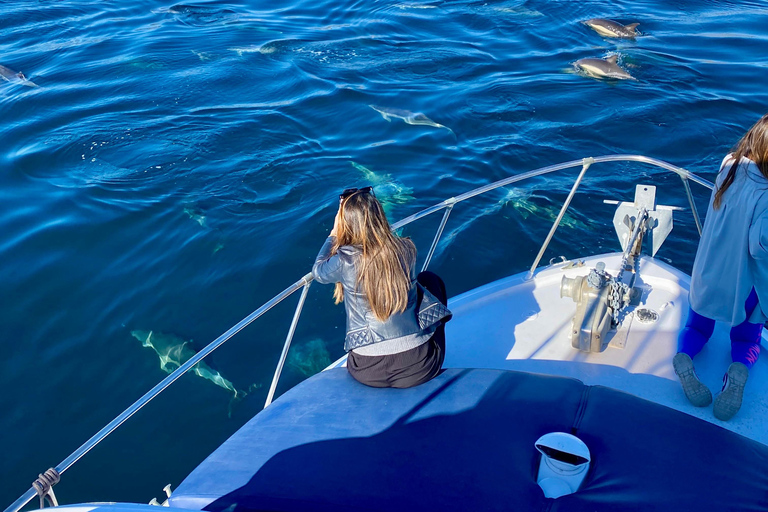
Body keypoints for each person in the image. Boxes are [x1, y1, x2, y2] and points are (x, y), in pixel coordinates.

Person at [674, 113, 768, 421]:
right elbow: (759, 248)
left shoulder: (729, 164)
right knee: (745, 338)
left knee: (697, 326)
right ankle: (738, 370)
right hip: (745, 284)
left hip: (708, 270)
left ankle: (685, 357)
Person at [312, 186, 451, 388]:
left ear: (346, 223)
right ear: (380, 215)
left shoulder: (344, 260)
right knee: (429, 280)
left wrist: (334, 234)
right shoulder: (406, 248)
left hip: (368, 372)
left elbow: (318, 271)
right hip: (421, 368)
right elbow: (380, 246)